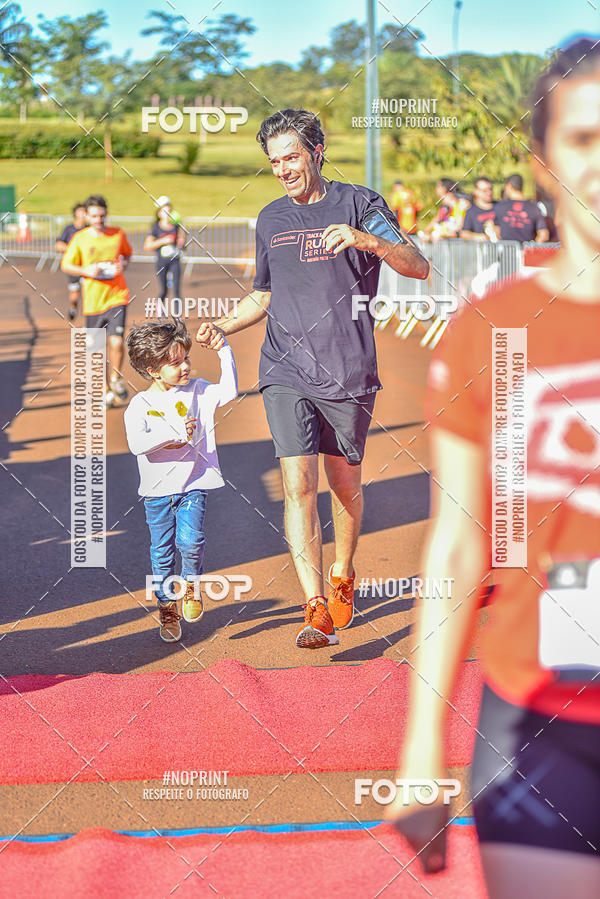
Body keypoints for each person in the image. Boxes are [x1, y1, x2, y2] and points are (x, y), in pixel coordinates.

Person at [385, 36, 600, 899]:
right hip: (538, 717)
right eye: (585, 139)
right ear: (542, 160)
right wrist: (418, 754)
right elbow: (457, 546)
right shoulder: (492, 331)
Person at [196, 107, 429, 649]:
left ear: (317, 152)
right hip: (284, 368)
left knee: (343, 483)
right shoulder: (271, 218)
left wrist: (365, 240)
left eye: (292, 157)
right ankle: (314, 605)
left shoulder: (361, 203)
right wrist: (224, 324)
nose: (282, 170)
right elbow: (265, 293)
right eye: (274, 161)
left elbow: (416, 265)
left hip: (349, 368)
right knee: (298, 485)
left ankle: (343, 573)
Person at [124, 317, 237, 643]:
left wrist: (224, 350)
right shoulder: (140, 405)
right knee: (161, 553)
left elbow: (228, 391)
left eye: (185, 358)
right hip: (157, 494)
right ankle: (166, 606)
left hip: (193, 486)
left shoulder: (199, 391)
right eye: (175, 363)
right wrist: (174, 433)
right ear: (153, 370)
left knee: (191, 542)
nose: (185, 366)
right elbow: (137, 444)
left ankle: (190, 586)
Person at [61, 195, 133, 407]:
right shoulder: (80, 238)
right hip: (92, 301)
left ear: (106, 214)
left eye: (102, 216)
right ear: (87, 216)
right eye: (94, 216)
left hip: (117, 295)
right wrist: (86, 270)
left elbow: (127, 255)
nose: (99, 220)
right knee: (96, 349)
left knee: (117, 341)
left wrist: (123, 265)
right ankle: (104, 390)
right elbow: (66, 264)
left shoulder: (117, 234)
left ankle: (116, 379)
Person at [143, 196, 185, 304]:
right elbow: (148, 246)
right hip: (162, 262)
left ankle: (178, 315)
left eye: (169, 211)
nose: (168, 214)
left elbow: (183, 244)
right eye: (165, 211)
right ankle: (160, 313)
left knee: (176, 290)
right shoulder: (155, 228)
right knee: (164, 290)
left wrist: (182, 242)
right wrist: (163, 241)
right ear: (159, 213)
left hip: (175, 260)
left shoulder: (176, 226)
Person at [492, 173, 550, 243]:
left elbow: (495, 230)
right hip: (526, 252)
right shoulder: (533, 207)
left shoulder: (500, 206)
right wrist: (532, 249)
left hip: (505, 252)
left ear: (508, 186)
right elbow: (543, 234)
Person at [55, 202, 87, 320]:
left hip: (87, 267)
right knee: (74, 295)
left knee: (87, 293)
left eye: (85, 211)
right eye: (81, 211)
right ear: (76, 213)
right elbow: (58, 245)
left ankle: (88, 318)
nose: (83, 214)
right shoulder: (69, 229)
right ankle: (73, 308)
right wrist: (72, 250)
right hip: (73, 267)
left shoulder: (89, 229)